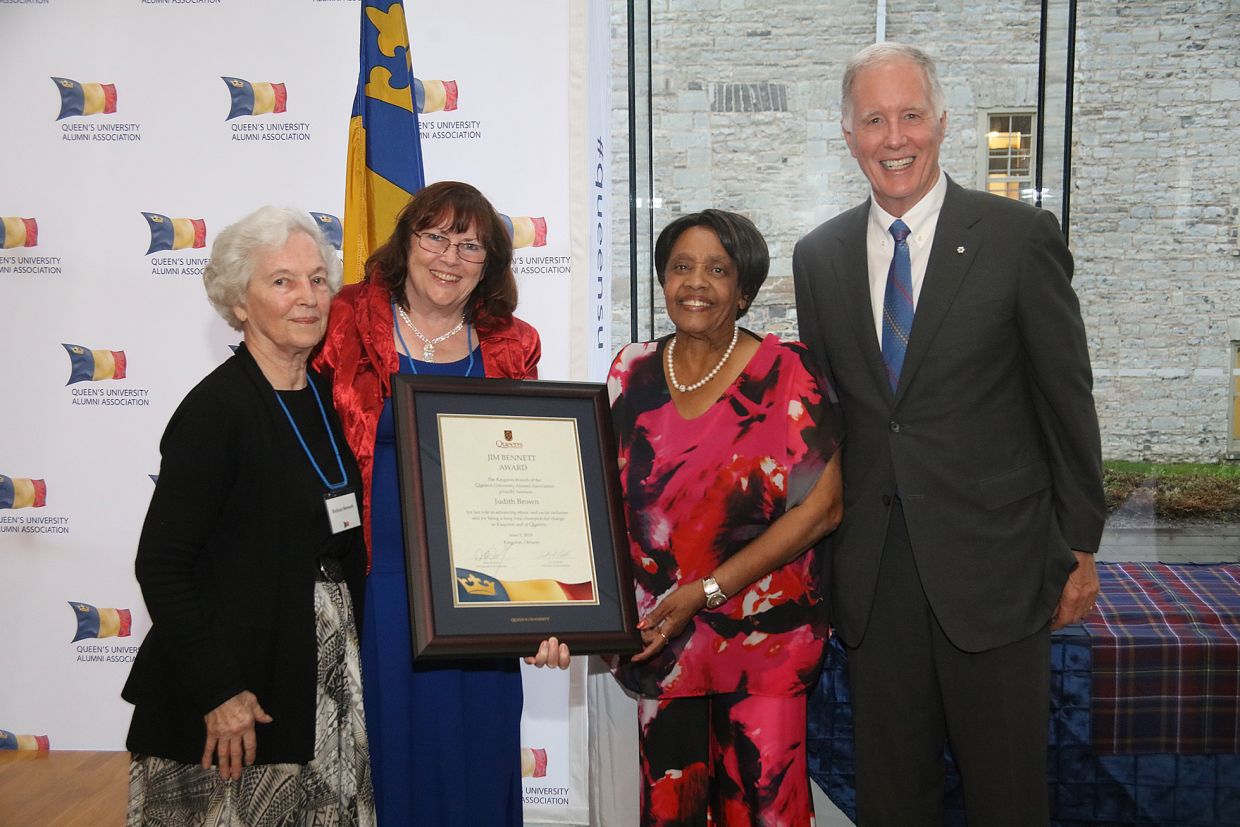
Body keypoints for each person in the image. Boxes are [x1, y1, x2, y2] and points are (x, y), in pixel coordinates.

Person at [792, 43, 1106, 825]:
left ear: (942, 122)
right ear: (848, 134)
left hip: (996, 571)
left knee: (1007, 799)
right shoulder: (819, 257)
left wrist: (1080, 544)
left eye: (911, 115)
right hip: (875, 577)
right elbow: (831, 419)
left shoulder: (1018, 237)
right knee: (893, 800)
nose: (894, 137)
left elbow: (1066, 400)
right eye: (874, 120)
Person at [314, 180, 569, 826]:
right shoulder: (346, 320)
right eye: (436, 238)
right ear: (406, 241)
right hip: (375, 581)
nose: (450, 257)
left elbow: (531, 481)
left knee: (475, 757)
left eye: (470, 246)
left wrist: (547, 606)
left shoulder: (512, 343)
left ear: (490, 263)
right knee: (385, 757)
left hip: (479, 596)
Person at [123, 207, 374, 826]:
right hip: (236, 698)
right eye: (282, 281)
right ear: (239, 302)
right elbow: (161, 565)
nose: (307, 296)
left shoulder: (323, 397)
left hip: (321, 685)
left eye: (317, 279)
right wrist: (219, 690)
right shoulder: (216, 411)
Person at [608, 209, 844, 826]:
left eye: (717, 270)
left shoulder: (789, 370)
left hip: (765, 643)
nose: (695, 283)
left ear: (744, 291)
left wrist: (708, 591)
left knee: (764, 811)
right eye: (681, 267)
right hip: (664, 639)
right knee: (674, 811)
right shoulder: (630, 370)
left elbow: (822, 509)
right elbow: (601, 500)